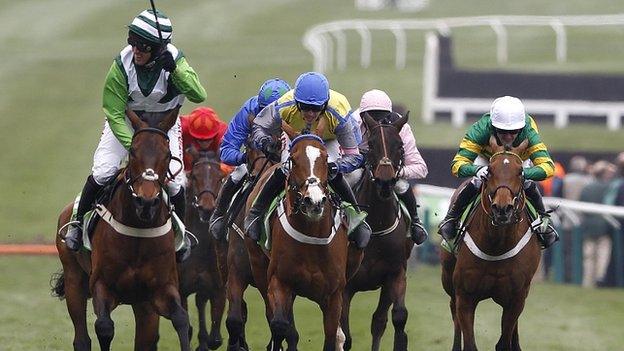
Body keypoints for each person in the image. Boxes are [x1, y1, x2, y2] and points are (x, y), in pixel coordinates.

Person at [64, 9, 207, 257]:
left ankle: (182, 234)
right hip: (126, 127)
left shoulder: (176, 62)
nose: (135, 50)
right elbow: (114, 112)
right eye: (132, 41)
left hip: (165, 128)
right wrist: (136, 146)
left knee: (175, 183)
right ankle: (77, 223)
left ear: (158, 49)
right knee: (103, 171)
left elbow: (198, 94)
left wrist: (176, 72)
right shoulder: (121, 65)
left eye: (142, 45)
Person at [244, 72, 372, 248]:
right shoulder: (284, 104)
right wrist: (264, 142)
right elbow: (259, 126)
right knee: (286, 169)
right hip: (295, 139)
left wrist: (336, 166)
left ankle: (356, 216)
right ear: (296, 102)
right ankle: (256, 213)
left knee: (332, 174)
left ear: (326, 104)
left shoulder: (339, 112)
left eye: (316, 108)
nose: (310, 113)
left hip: (328, 141)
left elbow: (354, 155)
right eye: (304, 107)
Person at [437, 96, 559, 248]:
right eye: (502, 131)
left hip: (518, 161)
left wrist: (523, 173)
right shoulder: (480, 129)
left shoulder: (529, 130)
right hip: (488, 160)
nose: (508, 137)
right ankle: (451, 219)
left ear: (521, 128)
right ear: (494, 127)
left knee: (527, 183)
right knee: (477, 182)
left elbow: (548, 167)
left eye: (513, 132)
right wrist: (478, 170)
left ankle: (544, 221)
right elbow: (457, 165)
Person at [208, 78, 291, 240]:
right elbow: (226, 150)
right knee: (239, 172)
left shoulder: (296, 111)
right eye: (264, 111)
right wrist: (246, 157)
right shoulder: (248, 111)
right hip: (254, 161)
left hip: (285, 158)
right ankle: (219, 215)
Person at [350, 89, 429, 245]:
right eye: (373, 118)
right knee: (351, 177)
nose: (378, 122)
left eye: (382, 117)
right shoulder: (352, 124)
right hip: (358, 166)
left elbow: (421, 168)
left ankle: (415, 221)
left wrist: (397, 171)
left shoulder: (402, 128)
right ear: (363, 116)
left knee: (400, 185)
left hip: (390, 172)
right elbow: (342, 155)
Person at [180, 106, 227, 171]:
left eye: (208, 139)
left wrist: (219, 170)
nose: (204, 144)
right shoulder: (180, 128)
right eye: (200, 140)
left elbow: (230, 161)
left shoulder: (224, 134)